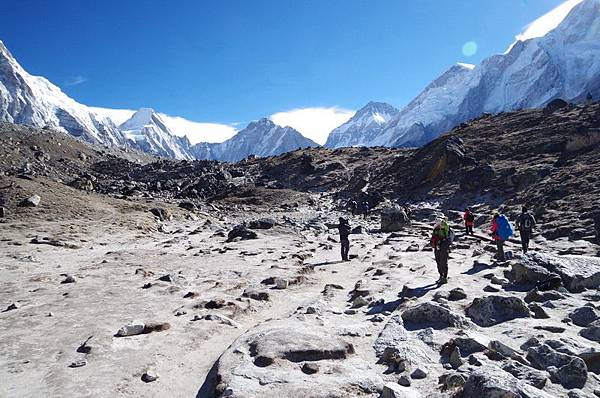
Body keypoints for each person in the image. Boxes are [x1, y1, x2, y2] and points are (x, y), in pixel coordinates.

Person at [430, 217, 452, 284]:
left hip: (443, 245)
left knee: (443, 261)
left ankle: (444, 277)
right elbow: (433, 237)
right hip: (437, 246)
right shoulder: (435, 229)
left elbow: (446, 230)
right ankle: (441, 275)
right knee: (438, 261)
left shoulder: (445, 227)